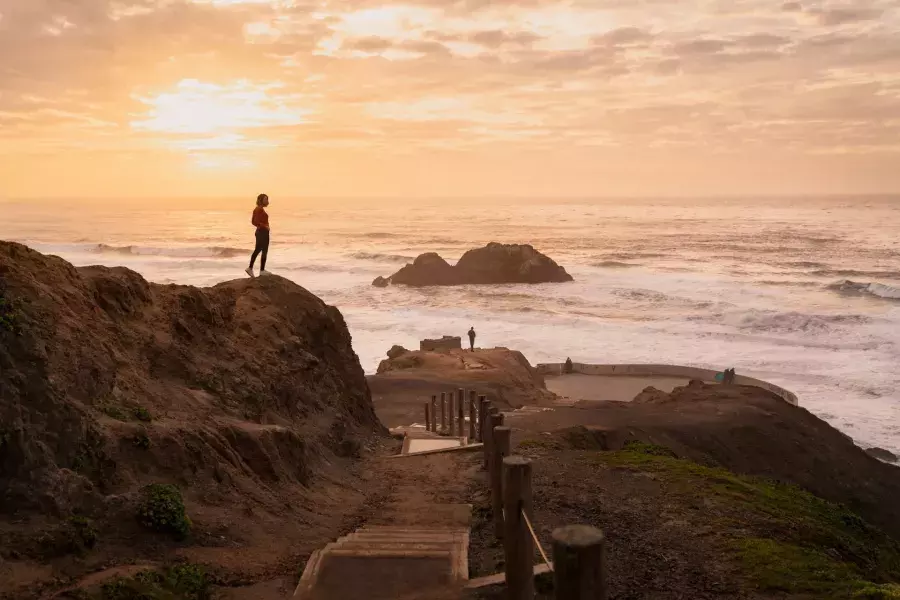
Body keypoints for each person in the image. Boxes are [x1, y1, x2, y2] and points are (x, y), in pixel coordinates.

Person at [246, 193, 271, 277]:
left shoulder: (258, 209)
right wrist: (265, 226)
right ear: (261, 200)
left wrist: (263, 226)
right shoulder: (259, 209)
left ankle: (251, 268)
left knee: (258, 250)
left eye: (267, 199)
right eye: (266, 199)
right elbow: (255, 222)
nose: (267, 201)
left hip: (260, 232)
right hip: (262, 232)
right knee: (264, 251)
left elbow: (253, 222)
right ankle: (261, 270)